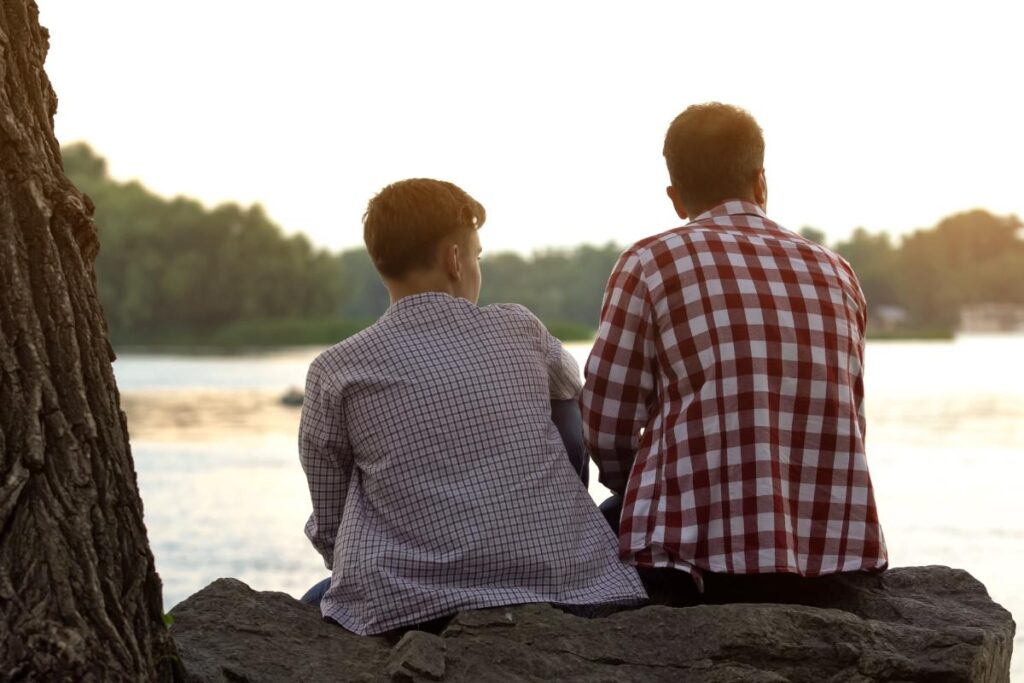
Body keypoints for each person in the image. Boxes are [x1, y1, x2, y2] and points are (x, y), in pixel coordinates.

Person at [299, 178, 645, 635]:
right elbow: (574, 388)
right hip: (562, 578)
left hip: (406, 597)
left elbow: (330, 521)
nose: (477, 267)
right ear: (454, 260)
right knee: (561, 399)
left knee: (314, 600)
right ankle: (552, 523)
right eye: (477, 255)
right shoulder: (519, 327)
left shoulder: (336, 368)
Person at [580, 103, 887, 604]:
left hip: (689, 559)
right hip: (829, 557)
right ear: (761, 182)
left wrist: (627, 483)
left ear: (676, 199)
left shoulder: (649, 262)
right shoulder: (837, 272)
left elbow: (605, 421)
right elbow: (851, 416)